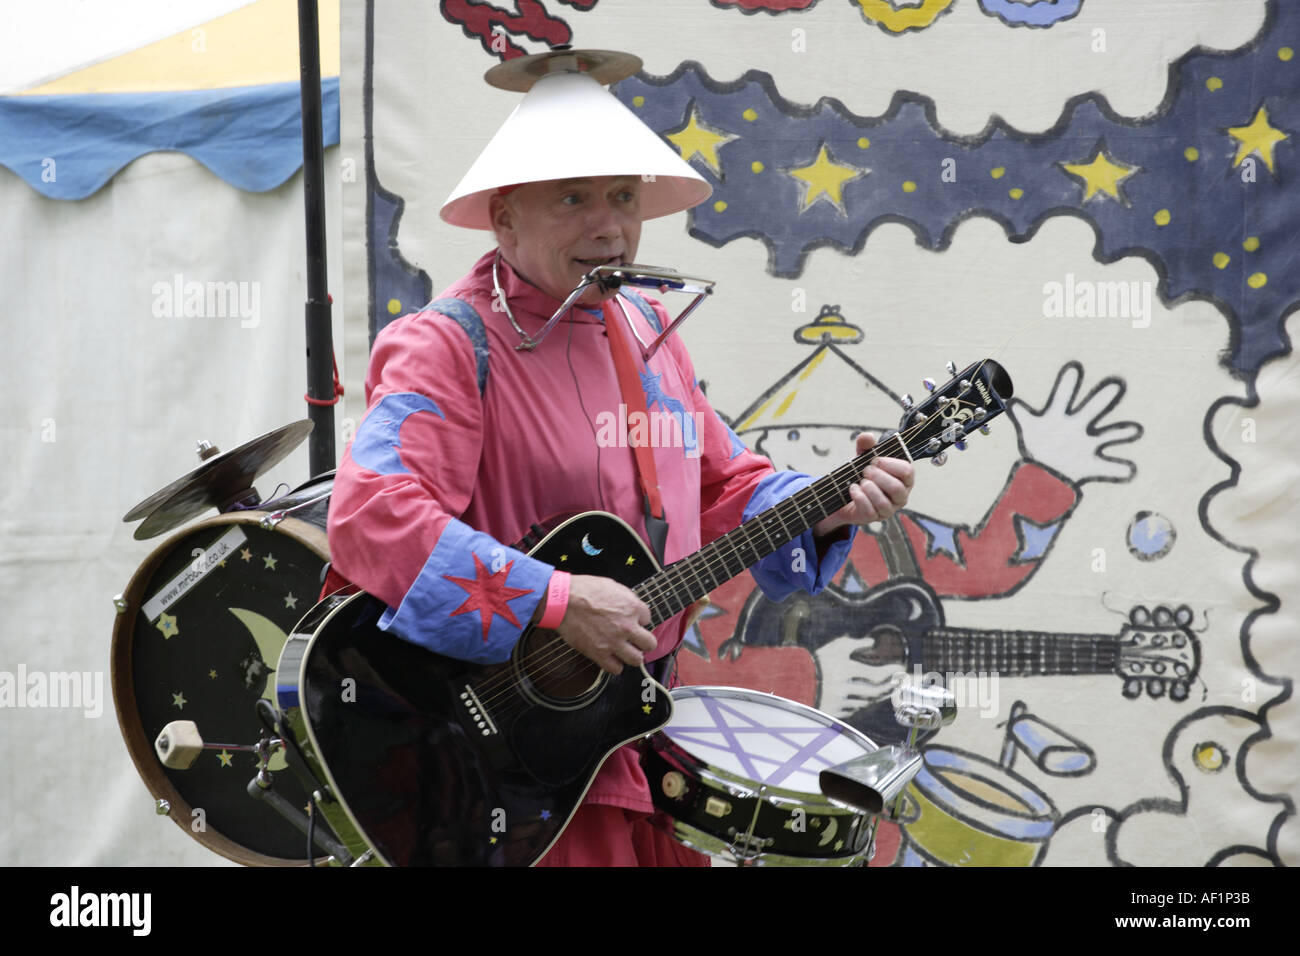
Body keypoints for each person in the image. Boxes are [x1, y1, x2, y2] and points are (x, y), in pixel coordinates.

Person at [326, 50, 914, 866]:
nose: (609, 226)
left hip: (629, 737)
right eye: (573, 198)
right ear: (504, 217)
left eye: (624, 198)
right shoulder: (445, 345)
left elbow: (719, 488)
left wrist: (825, 501)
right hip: (499, 761)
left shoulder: (647, 334)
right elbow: (371, 519)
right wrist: (558, 600)